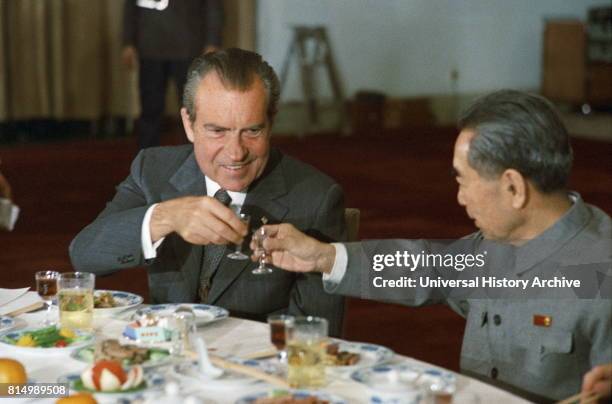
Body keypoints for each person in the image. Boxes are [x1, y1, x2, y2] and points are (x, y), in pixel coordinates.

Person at [253, 90, 612, 402]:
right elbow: (428, 267)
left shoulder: (601, 272)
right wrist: (323, 257)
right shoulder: (497, 246)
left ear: (513, 188)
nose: (459, 198)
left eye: (464, 181)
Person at [69, 48, 346, 335]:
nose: (236, 152)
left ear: (271, 123)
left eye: (252, 131)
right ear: (189, 124)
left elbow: (316, 338)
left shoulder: (316, 198)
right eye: (218, 131)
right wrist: (165, 218)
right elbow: (85, 255)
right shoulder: (154, 169)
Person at [122, 0, 224, 149]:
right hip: (151, 48)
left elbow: (213, 6)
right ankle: (147, 160)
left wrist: (213, 41)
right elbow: (131, 6)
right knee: (150, 110)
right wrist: (128, 42)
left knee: (192, 112)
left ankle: (193, 160)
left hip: (189, 48)